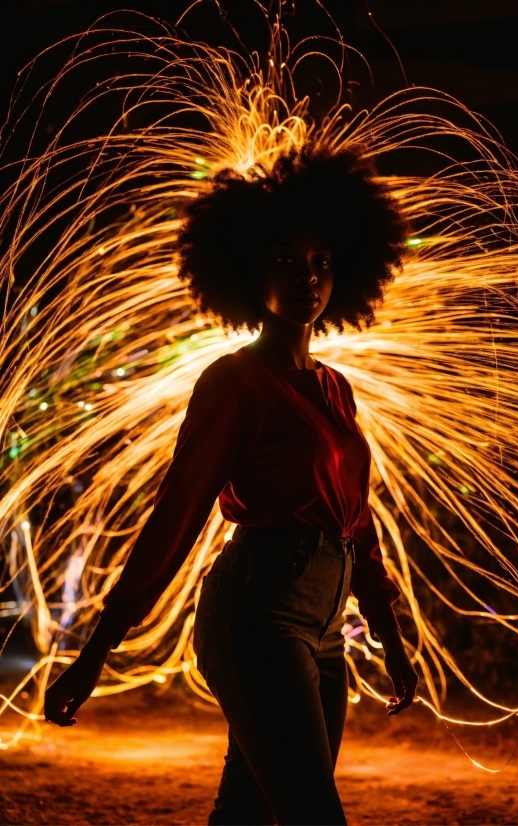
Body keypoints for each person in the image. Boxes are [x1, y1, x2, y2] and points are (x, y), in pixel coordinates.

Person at [44, 145, 419, 825]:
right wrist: (97, 651)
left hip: (326, 624)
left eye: (321, 263)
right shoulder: (234, 382)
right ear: (247, 271)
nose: (308, 277)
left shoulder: (335, 389)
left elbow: (354, 521)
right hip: (258, 613)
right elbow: (177, 514)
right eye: (285, 259)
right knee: (310, 812)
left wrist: (391, 637)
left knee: (248, 811)